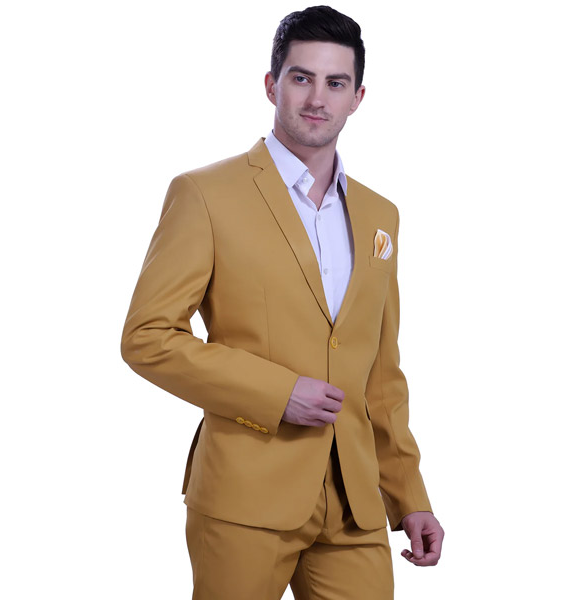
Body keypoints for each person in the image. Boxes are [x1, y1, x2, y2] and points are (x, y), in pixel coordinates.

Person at [120, 5, 444, 599]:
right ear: (272, 85)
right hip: (245, 495)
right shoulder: (204, 195)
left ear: (357, 97)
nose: (317, 98)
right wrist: (278, 393)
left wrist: (409, 495)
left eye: (335, 83)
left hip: (353, 505)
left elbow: (381, 375)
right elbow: (148, 337)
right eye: (301, 78)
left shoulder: (381, 215)